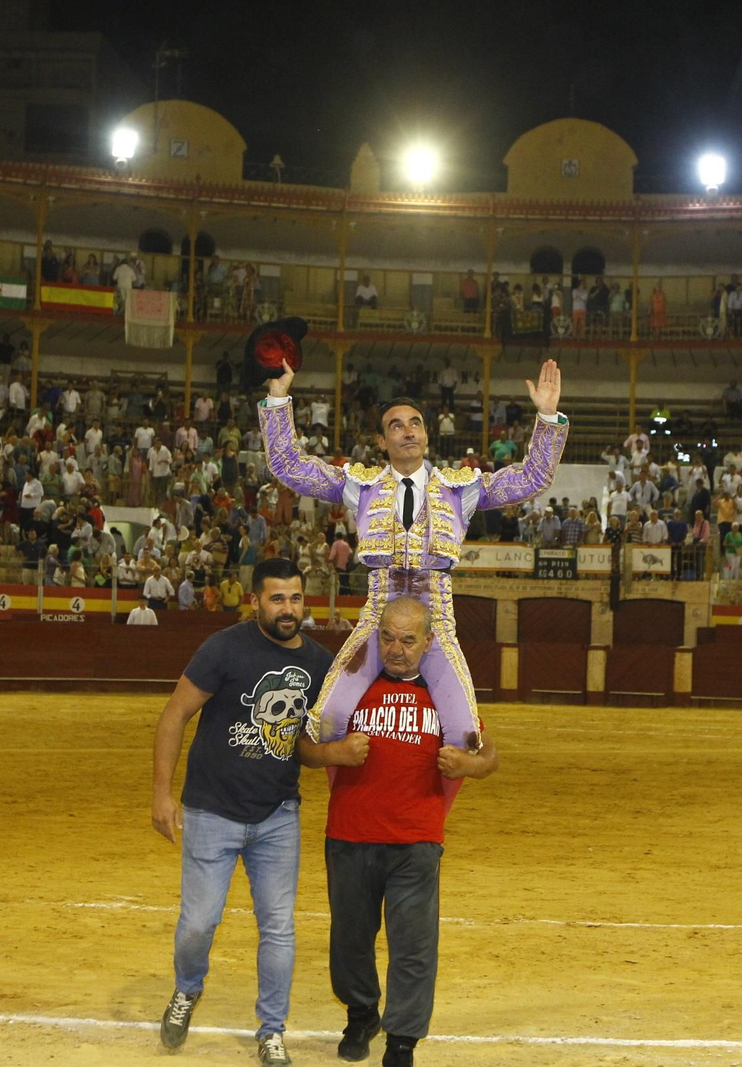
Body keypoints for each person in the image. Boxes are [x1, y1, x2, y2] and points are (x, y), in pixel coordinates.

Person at [259, 339, 566, 756]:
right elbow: (290, 468)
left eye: (415, 423)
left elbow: (532, 479)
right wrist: (278, 401)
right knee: (326, 722)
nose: (408, 431)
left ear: (426, 433)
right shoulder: (360, 485)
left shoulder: (461, 488)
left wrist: (547, 416)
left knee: (464, 737)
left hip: (435, 620)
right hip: (377, 616)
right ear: (382, 442)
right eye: (397, 425)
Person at [150, 558, 333, 1065]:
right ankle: (188, 988)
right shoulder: (224, 647)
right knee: (198, 925)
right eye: (277, 598)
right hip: (211, 812)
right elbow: (174, 715)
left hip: (277, 816)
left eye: (295, 598)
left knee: (279, 927)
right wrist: (162, 794)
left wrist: (337, 754)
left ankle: (271, 1029)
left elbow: (309, 744)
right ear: (255, 601)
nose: (288, 608)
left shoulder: (319, 663)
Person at [300, 597, 495, 1067]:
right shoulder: (350, 687)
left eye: (409, 639)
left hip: (415, 840)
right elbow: (305, 746)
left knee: (413, 945)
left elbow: (490, 756)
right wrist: (335, 754)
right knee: (350, 939)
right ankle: (362, 1012)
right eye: (387, 636)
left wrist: (467, 763)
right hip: (350, 833)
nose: (396, 648)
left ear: (429, 642)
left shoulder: (447, 694)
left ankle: (402, 1039)